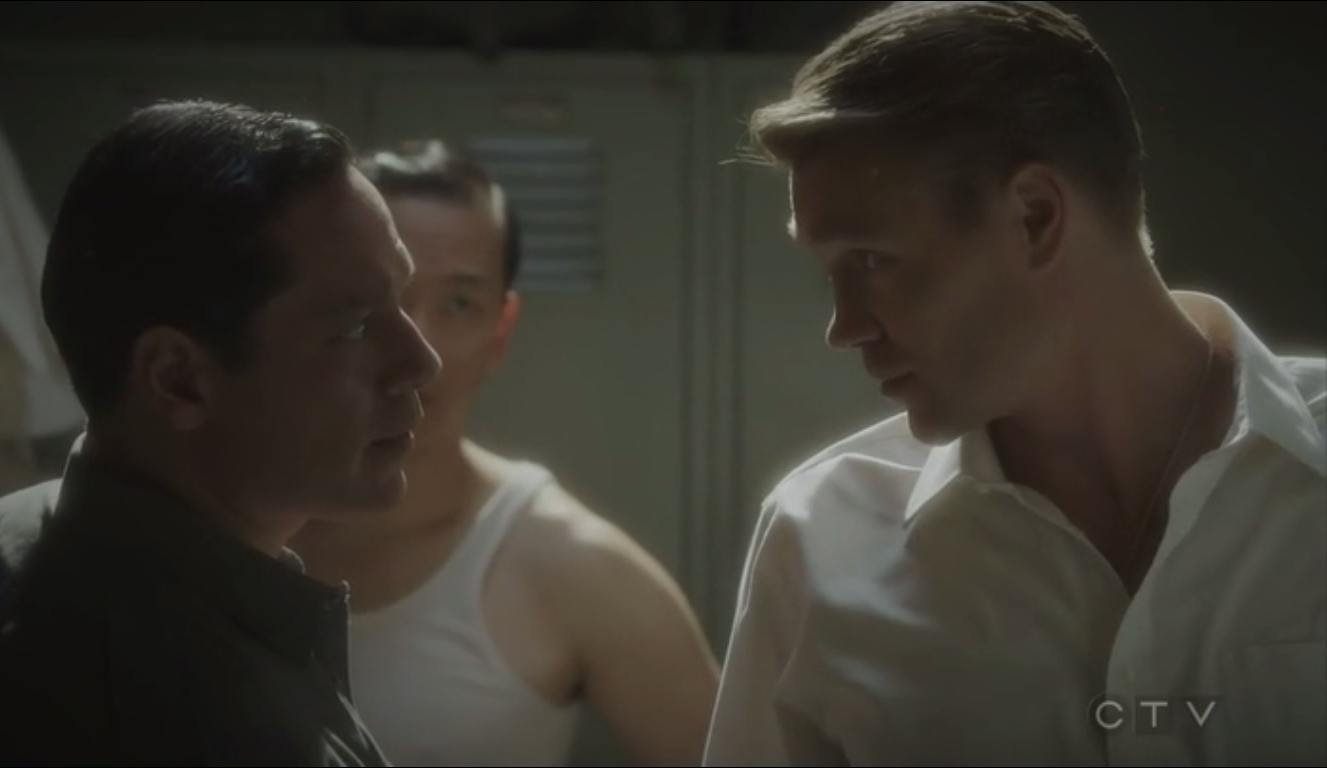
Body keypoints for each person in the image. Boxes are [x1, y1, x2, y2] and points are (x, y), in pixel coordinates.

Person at [703, 2, 1325, 766]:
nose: (845, 327)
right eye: (830, 271)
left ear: (1034, 217)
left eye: (870, 260)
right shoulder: (817, 537)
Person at [0, 99, 441, 766]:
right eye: (355, 326)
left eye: (400, 302)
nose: (422, 362)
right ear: (179, 379)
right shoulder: (204, 728)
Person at [289, 140, 720, 767]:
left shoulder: (574, 565)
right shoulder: (219, 526)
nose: (418, 347)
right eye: (383, 297)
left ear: (500, 330)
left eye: (459, 304)